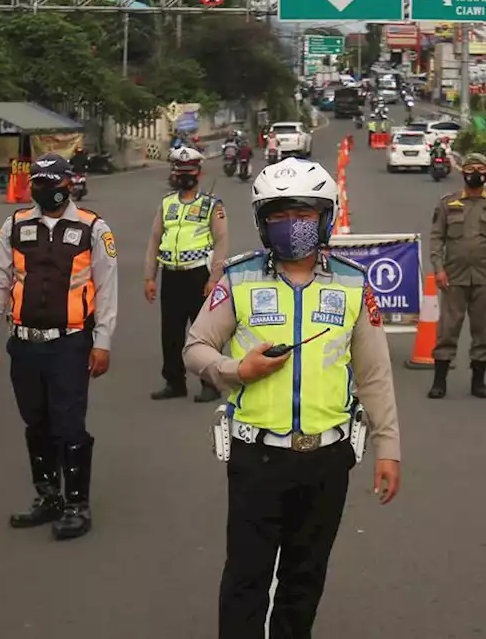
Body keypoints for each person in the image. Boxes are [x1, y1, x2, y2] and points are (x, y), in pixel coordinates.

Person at [184, 159, 402, 639]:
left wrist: (388, 447)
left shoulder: (352, 283)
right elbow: (196, 346)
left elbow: (374, 375)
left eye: (304, 215)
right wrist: (235, 370)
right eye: (280, 216)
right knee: (246, 576)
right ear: (262, 222)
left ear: (326, 218)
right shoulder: (238, 279)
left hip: (327, 458)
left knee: (305, 578)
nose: (292, 226)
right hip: (255, 456)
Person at [0, 152, 118, 541]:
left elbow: (107, 289)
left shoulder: (93, 228)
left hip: (70, 343)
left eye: (52, 184)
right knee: (36, 422)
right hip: (24, 344)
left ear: (67, 184)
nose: (44, 191)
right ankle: (48, 497)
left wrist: (102, 341)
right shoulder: (15, 226)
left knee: (69, 423)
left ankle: (77, 504)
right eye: (37, 184)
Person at [426, 152, 486, 399]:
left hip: (484, 277)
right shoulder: (448, 203)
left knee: (483, 329)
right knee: (447, 328)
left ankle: (479, 381)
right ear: (462, 171)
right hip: (453, 276)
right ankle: (439, 381)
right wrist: (438, 268)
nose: (476, 172)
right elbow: (437, 238)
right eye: (471, 168)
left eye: (481, 168)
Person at [144, 146, 229, 402]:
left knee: (203, 333)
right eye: (180, 171)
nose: (184, 176)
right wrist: (150, 277)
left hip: (199, 276)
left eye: (189, 171)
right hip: (172, 275)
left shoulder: (211, 205)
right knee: (170, 332)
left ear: (199, 173)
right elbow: (155, 240)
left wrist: (214, 278)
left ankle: (210, 383)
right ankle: (174, 381)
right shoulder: (166, 204)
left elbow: (221, 242)